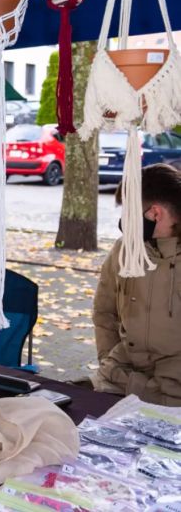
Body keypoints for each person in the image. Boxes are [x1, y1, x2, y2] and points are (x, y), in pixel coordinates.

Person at [92, 163, 181, 405]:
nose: (124, 221)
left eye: (128, 212)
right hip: (117, 380)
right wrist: (107, 360)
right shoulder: (125, 249)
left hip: (173, 395)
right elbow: (104, 312)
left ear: (155, 214)